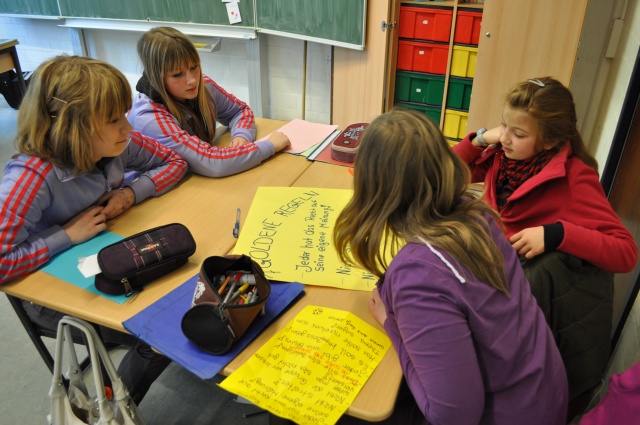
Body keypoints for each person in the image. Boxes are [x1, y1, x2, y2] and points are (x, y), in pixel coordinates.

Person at [333, 108, 568, 425]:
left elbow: (453, 417)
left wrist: (391, 324)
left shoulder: (417, 276)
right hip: (543, 394)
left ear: (370, 188)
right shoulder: (475, 212)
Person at [0, 55, 189, 404]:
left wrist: (130, 194)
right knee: (162, 333)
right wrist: (66, 236)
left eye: (123, 115)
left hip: (105, 257)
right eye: (113, 119)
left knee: (185, 290)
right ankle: (112, 411)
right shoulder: (31, 178)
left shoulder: (114, 146)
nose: (127, 128)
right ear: (72, 127)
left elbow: (175, 161)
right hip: (49, 294)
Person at [452, 77, 638, 416]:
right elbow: (447, 170)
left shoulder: (574, 178)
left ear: (550, 140)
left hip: (525, 304)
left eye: (518, 133)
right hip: (495, 280)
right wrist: (481, 137)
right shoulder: (502, 156)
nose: (505, 138)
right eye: (505, 126)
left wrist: (556, 233)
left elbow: (625, 252)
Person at [128, 26, 291, 178]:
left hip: (191, 178)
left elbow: (240, 111)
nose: (192, 80)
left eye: (194, 67)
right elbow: (211, 163)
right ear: (156, 77)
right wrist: (270, 146)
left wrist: (241, 136)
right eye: (178, 74)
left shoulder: (202, 86)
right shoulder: (149, 117)